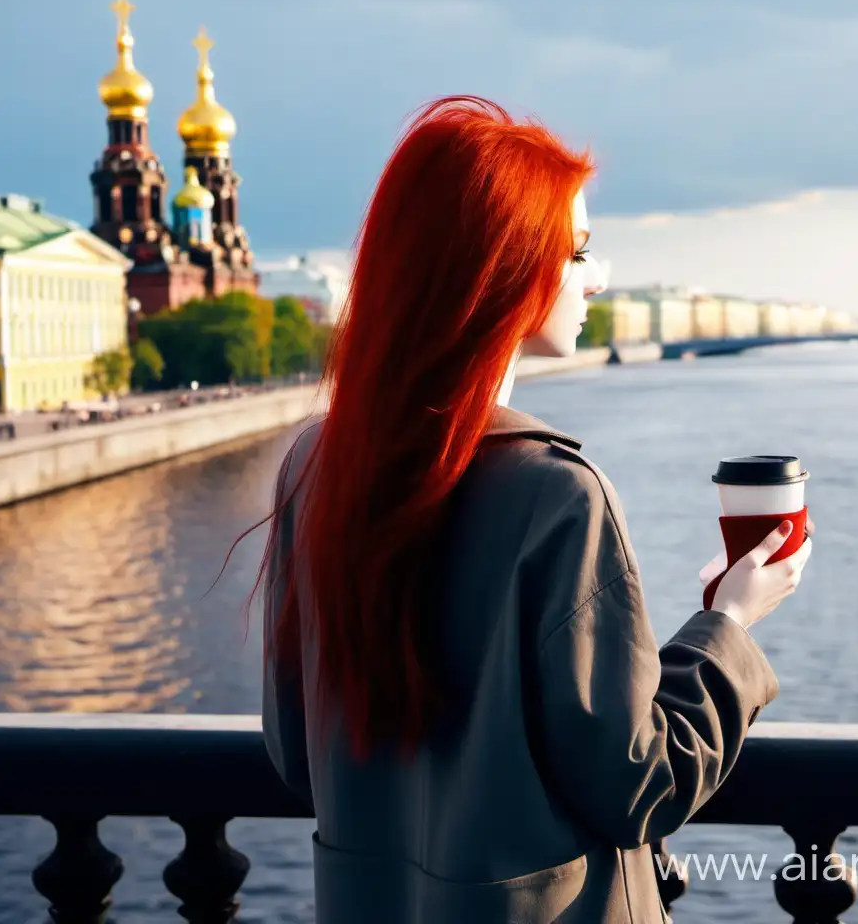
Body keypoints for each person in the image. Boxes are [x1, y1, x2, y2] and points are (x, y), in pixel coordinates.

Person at [254, 95, 814, 923]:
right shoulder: (557, 495)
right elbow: (638, 782)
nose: (600, 275)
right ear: (505, 269)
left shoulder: (315, 465)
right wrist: (729, 621)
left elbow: (297, 753)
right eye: (579, 250)